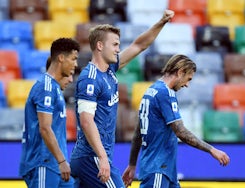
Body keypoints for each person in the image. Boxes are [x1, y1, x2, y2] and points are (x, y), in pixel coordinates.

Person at [70, 9, 175, 188]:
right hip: (92, 157)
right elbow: (86, 121)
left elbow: (139, 46)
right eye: (115, 44)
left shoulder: (109, 70)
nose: (119, 49)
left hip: (94, 156)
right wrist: (103, 159)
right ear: (100, 46)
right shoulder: (90, 78)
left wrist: (161, 22)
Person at [122, 54, 230, 188]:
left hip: (166, 171)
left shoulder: (150, 91)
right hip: (158, 170)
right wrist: (212, 150)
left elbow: (138, 133)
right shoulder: (165, 93)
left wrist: (132, 164)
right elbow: (180, 132)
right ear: (180, 72)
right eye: (188, 79)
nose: (187, 85)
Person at [19, 38, 80, 188]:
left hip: (56, 164)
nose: (76, 64)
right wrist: (61, 160)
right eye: (73, 59)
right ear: (61, 58)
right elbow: (45, 128)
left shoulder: (54, 88)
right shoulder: (45, 87)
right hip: (43, 163)